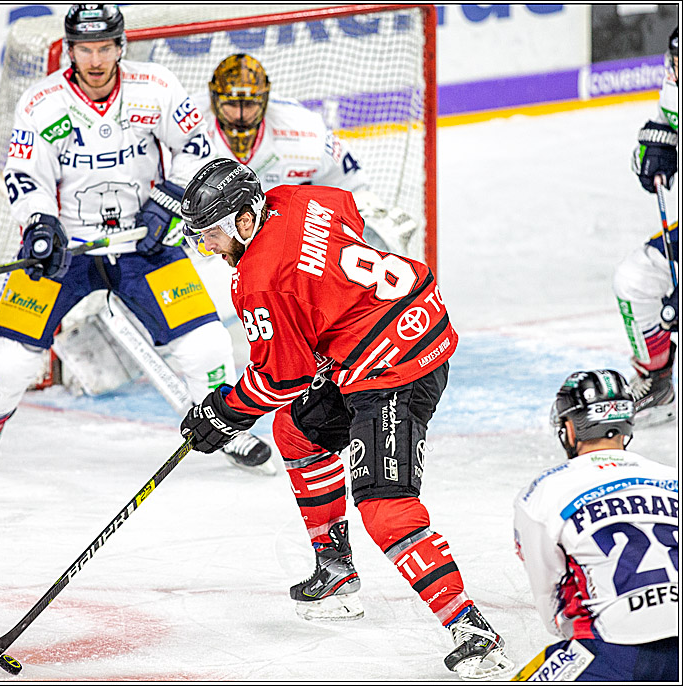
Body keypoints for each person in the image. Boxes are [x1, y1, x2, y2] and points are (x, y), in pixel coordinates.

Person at [177, 158, 514, 679]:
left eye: (213, 235)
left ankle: (472, 630)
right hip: (410, 318)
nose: (211, 248)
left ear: (245, 219)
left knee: (384, 506)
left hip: (394, 367)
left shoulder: (259, 280)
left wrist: (223, 412)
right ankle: (335, 569)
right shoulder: (298, 198)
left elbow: (281, 380)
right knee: (295, 432)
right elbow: (348, 215)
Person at [0, 4, 274, 475]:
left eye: (105, 48)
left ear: (121, 46)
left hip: (146, 244)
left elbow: (197, 147)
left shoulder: (156, 87)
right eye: (85, 49)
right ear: (70, 50)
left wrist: (169, 200)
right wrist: (40, 225)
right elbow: (25, 174)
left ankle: (229, 431)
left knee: (207, 345)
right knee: (8, 358)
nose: (95, 60)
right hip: (67, 251)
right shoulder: (40, 102)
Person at [512, 369, 678, 682]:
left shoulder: (544, 491)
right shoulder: (673, 478)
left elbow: (550, 598)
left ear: (570, 429)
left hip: (614, 650)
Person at [198, 53, 418, 256]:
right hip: (211, 245)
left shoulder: (304, 130)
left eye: (249, 105)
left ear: (264, 100)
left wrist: (371, 228)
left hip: (286, 240)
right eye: (231, 104)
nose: (240, 115)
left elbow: (353, 187)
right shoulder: (189, 125)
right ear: (214, 99)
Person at [614, 26, 678, 428]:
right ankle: (657, 382)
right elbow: (667, 118)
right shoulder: (675, 80)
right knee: (636, 279)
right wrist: (660, 143)